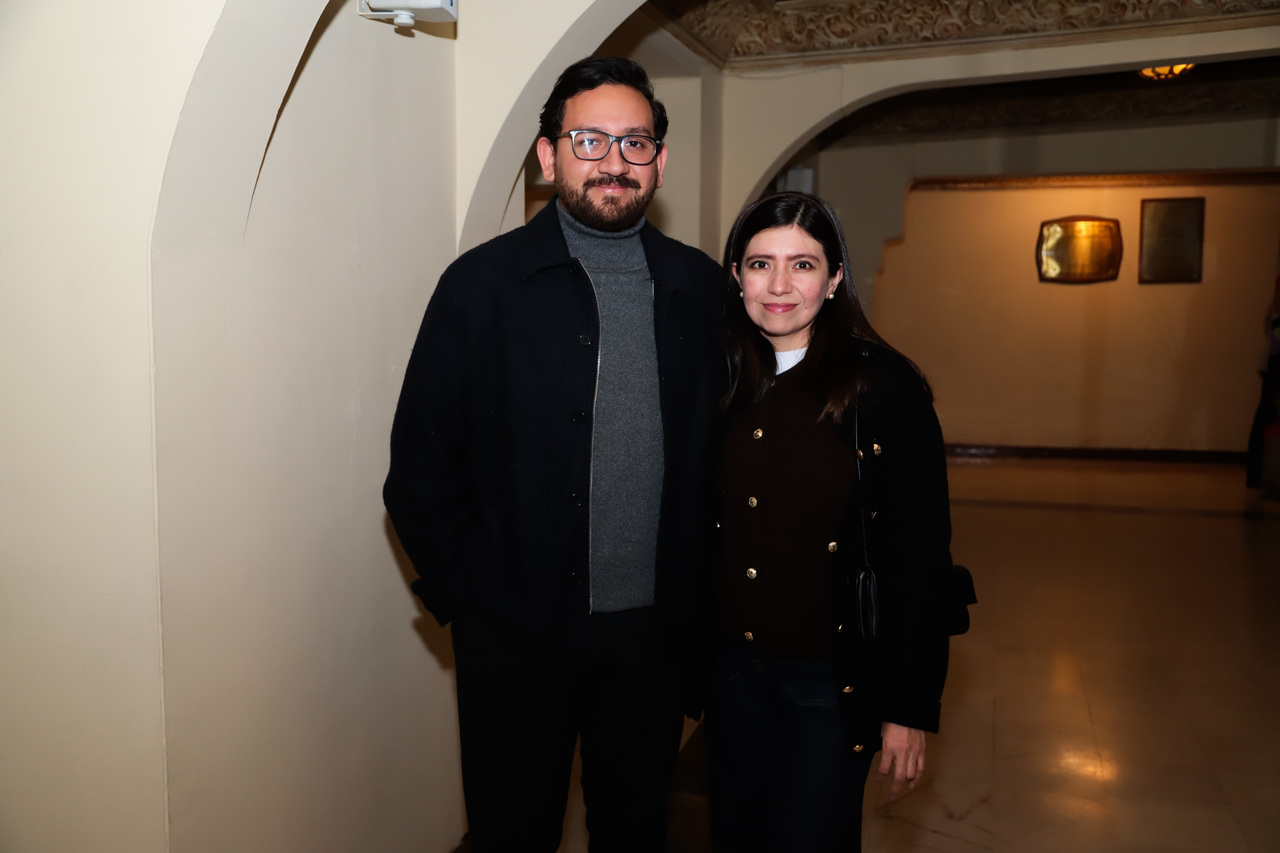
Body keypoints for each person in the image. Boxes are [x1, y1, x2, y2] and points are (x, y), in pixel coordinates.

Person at [382, 57, 723, 852]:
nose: (614, 161)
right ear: (548, 155)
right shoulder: (480, 287)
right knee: (512, 832)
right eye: (589, 140)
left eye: (635, 142)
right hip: (513, 639)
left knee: (634, 832)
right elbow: (420, 469)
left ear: (659, 162)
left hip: (650, 643)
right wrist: (473, 599)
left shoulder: (702, 291)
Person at [707, 192, 953, 852]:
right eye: (760, 264)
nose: (779, 286)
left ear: (836, 276)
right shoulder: (718, 378)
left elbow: (919, 559)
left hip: (828, 681)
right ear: (736, 276)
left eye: (803, 264)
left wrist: (906, 706)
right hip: (732, 677)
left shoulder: (883, 388)